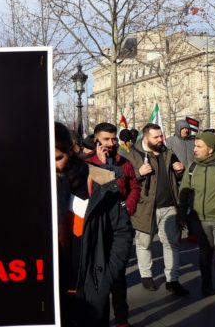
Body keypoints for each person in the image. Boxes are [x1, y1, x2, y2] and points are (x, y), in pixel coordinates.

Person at [55, 122, 133, 326]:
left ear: (72, 151)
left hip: (92, 288)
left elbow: (122, 232)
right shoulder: (35, 184)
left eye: (58, 159)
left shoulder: (101, 181)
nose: (53, 167)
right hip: (53, 292)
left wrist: (105, 276)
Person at [84, 122, 140, 327]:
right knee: (97, 278)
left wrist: (128, 208)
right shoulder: (86, 163)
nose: (111, 143)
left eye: (114, 139)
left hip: (119, 227)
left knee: (118, 277)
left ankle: (122, 319)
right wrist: (100, 164)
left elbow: (134, 186)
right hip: (95, 229)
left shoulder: (124, 163)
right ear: (96, 140)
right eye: (106, 139)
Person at [128, 123, 188, 296]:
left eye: (161, 136)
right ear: (146, 138)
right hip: (145, 208)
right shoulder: (134, 154)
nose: (161, 139)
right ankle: (146, 276)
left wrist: (179, 170)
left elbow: (177, 175)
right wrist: (139, 172)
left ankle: (173, 280)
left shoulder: (168, 152)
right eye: (157, 137)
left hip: (169, 206)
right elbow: (125, 180)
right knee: (144, 243)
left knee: (172, 243)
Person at [179, 131, 215, 309]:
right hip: (199, 220)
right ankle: (206, 285)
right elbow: (184, 191)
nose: (194, 149)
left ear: (210, 149)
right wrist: (181, 215)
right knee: (204, 254)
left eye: (199, 146)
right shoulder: (193, 168)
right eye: (194, 145)